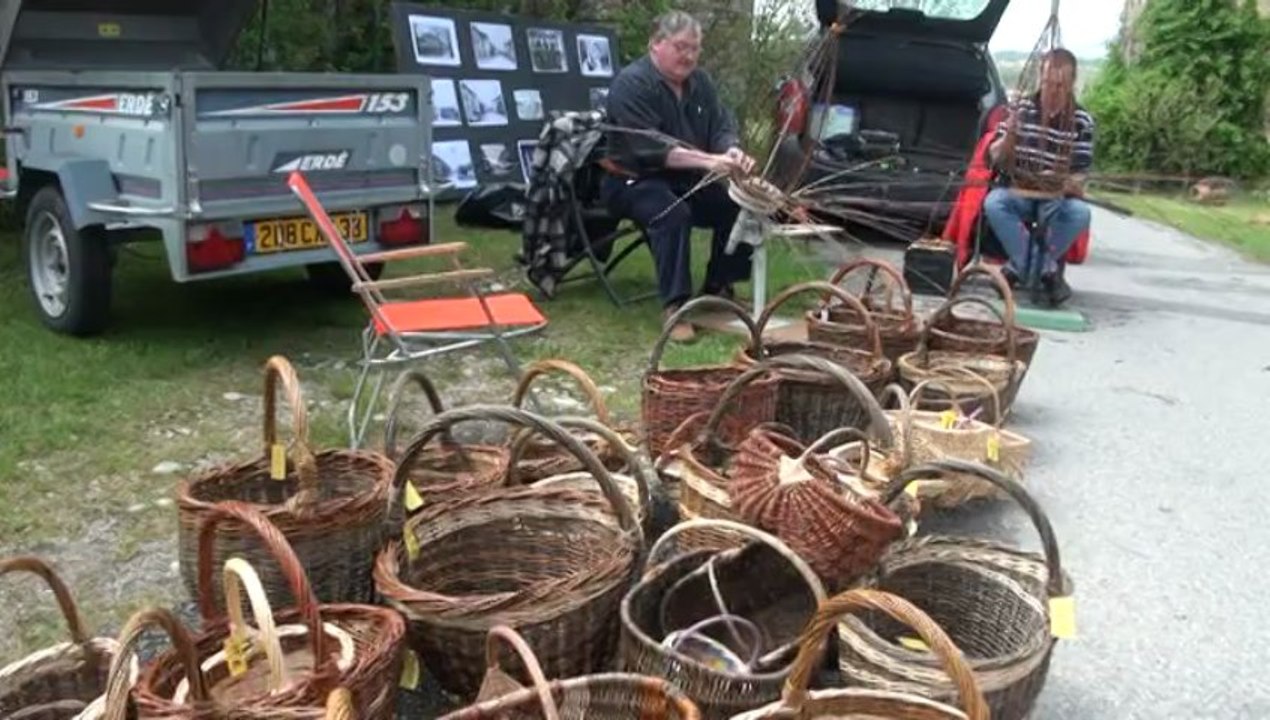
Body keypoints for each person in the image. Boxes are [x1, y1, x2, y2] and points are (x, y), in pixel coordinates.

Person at [601, 10, 756, 343]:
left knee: (738, 204)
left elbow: (721, 127)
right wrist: (708, 161)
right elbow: (651, 149)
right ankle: (676, 307)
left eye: (694, 48)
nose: (688, 56)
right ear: (655, 44)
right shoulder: (631, 84)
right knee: (673, 212)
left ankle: (718, 288)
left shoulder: (701, 83)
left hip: (684, 177)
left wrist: (730, 151)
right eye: (680, 47)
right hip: (633, 179)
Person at [984, 47, 1095, 307]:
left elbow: (1080, 173)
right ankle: (1046, 270)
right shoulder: (1021, 109)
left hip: (1056, 197)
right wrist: (1009, 137)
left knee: (1080, 213)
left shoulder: (1082, 120)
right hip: (1018, 193)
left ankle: (1015, 269)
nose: (1052, 91)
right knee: (994, 203)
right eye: (1047, 83)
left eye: (1060, 85)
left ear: (1071, 84)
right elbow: (995, 158)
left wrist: (1060, 182)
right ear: (1039, 78)